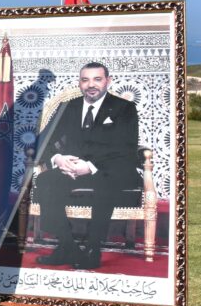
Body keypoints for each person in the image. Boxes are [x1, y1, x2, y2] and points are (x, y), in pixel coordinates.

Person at [34, 62, 139, 270]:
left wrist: (89, 166)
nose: (91, 85)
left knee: (105, 182)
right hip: (72, 169)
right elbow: (43, 141)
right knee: (46, 180)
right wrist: (58, 159)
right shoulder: (68, 107)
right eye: (85, 80)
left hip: (109, 169)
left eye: (97, 79)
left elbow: (126, 148)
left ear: (108, 81)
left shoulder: (124, 108)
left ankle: (93, 249)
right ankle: (66, 246)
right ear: (80, 83)